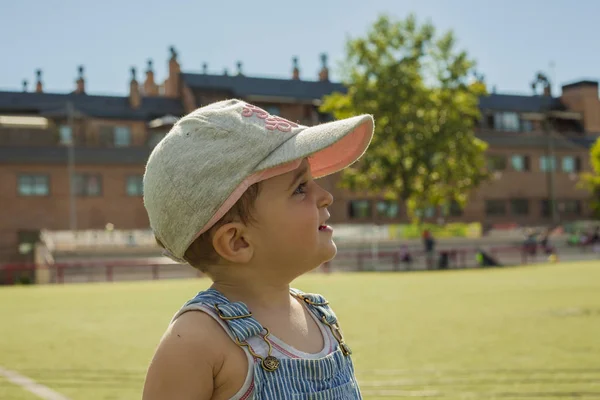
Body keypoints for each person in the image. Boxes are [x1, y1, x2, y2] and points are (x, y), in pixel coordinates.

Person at [141, 99, 374, 399]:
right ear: (238, 241)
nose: (326, 196)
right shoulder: (195, 342)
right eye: (300, 188)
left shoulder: (321, 317)